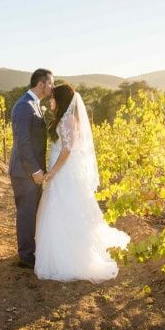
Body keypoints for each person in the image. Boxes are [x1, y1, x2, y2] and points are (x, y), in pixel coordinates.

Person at [34, 83, 130, 283]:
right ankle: (59, 249)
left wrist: (52, 172)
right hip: (61, 172)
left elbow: (67, 150)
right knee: (60, 210)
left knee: (65, 209)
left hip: (64, 173)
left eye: (52, 98)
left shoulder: (68, 120)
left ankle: (71, 255)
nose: (49, 101)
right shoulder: (63, 119)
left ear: (59, 100)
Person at [8, 68, 54, 268]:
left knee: (32, 211)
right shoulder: (24, 106)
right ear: (41, 84)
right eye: (51, 83)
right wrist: (35, 171)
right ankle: (26, 257)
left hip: (33, 170)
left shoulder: (35, 105)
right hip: (24, 172)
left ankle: (30, 251)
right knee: (26, 213)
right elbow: (23, 142)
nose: (53, 86)